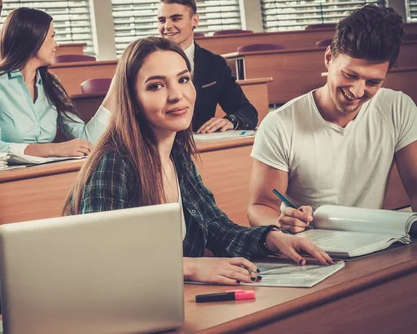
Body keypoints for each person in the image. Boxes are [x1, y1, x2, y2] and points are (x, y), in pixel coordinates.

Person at [63, 37, 333, 285]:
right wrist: (189, 267)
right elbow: (101, 257)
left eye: (183, 80)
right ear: (132, 99)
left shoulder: (177, 156)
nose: (177, 95)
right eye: (156, 85)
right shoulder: (113, 162)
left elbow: (217, 229)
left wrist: (273, 238)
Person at [247, 5, 417, 233]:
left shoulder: (397, 107)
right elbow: (259, 207)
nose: (357, 91)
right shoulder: (279, 124)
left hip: (375, 242)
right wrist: (279, 222)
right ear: (329, 57)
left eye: (373, 82)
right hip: (311, 246)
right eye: (350, 75)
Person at [0, 7, 114, 158]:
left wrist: (114, 92)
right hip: (9, 176)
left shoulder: (52, 84)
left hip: (47, 174)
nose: (56, 44)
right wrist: (53, 150)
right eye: (52, 36)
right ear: (33, 38)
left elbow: (87, 140)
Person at [157, 0, 258, 133]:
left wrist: (230, 121)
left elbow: (247, 111)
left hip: (202, 146)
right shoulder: (146, 63)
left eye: (176, 19)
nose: (167, 26)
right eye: (162, 20)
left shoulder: (215, 64)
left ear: (195, 21)